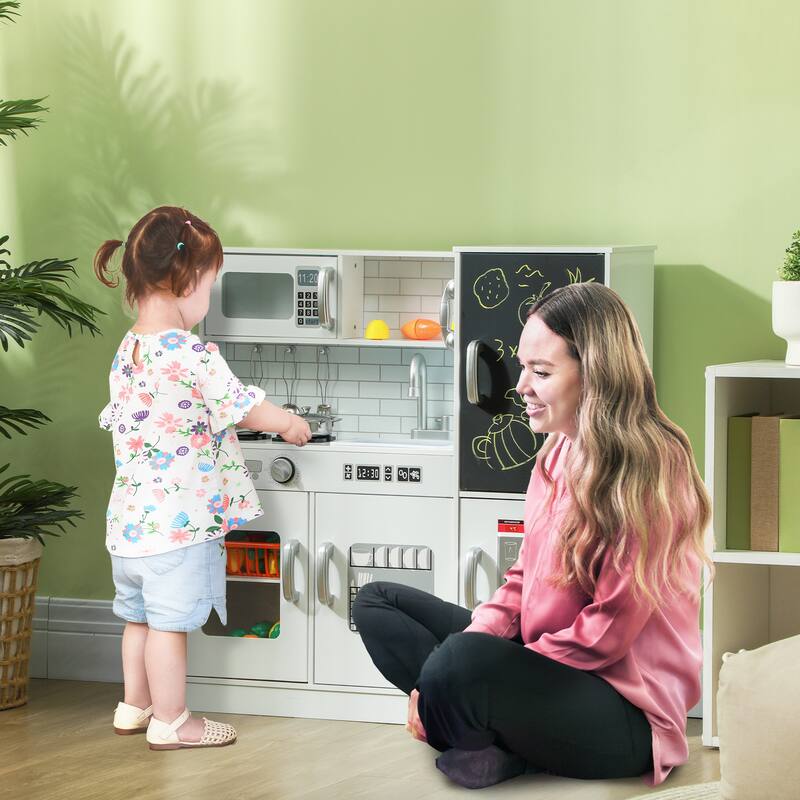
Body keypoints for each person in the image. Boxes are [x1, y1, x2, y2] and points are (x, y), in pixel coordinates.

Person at [353, 282, 711, 789]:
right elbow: (523, 578)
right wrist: (463, 656)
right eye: (523, 367)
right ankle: (488, 738)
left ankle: (480, 734)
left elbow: (609, 632)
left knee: (457, 663)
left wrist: (462, 668)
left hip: (624, 711)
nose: (520, 385)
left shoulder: (651, 466)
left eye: (540, 372)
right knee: (377, 602)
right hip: (549, 668)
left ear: (597, 375)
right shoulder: (559, 454)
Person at [95, 206, 311, 750]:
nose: (208, 299)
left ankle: (134, 704)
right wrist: (287, 422)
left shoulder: (129, 350)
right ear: (185, 280)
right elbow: (242, 407)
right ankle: (173, 720)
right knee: (169, 626)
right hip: (180, 525)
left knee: (138, 620)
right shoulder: (189, 353)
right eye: (210, 286)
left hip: (130, 526)